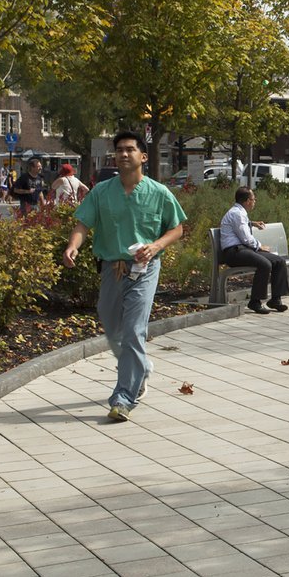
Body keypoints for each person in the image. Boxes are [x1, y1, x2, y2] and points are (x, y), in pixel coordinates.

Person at [63, 131, 186, 423]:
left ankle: (124, 397)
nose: (124, 154)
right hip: (111, 267)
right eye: (119, 150)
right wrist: (72, 246)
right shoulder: (102, 192)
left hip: (144, 269)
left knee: (133, 329)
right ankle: (140, 368)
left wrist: (156, 246)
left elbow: (177, 228)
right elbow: (83, 224)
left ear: (143, 156)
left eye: (130, 149)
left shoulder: (159, 192)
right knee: (112, 327)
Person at [218, 186, 289, 315]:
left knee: (279, 261)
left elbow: (241, 226)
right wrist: (259, 246)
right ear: (247, 201)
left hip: (243, 250)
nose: (255, 201)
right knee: (265, 264)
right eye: (253, 199)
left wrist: (251, 223)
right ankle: (255, 302)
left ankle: (276, 300)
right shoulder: (237, 214)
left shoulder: (239, 213)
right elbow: (246, 238)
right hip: (234, 252)